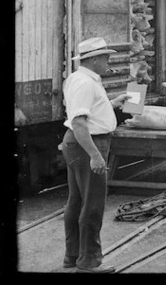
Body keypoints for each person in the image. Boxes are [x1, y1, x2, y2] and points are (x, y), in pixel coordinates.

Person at [61, 37, 131, 273]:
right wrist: (95, 156)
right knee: (92, 204)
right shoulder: (86, 83)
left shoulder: (79, 79)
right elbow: (80, 122)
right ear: (92, 59)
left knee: (76, 201)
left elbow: (87, 112)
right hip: (88, 143)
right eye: (105, 57)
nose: (109, 61)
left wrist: (112, 103)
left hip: (77, 143)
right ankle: (89, 262)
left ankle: (73, 256)